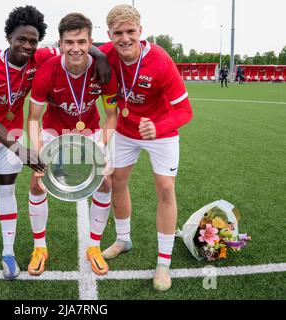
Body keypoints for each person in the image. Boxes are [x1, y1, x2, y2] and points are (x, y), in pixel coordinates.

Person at [0, 5, 111, 300]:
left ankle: (8, 255)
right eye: (21, 40)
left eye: (32, 41)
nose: (27, 46)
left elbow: (78, 46)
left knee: (6, 192)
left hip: (13, 136)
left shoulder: (39, 58)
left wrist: (101, 56)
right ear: (8, 37)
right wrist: (23, 149)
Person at [99, 4, 193, 291]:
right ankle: (123, 239)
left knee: (165, 188)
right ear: (110, 34)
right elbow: (76, 50)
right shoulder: (105, 52)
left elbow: (186, 111)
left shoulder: (161, 61)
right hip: (126, 130)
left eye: (130, 31)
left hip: (161, 131)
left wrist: (159, 127)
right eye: (118, 33)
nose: (124, 38)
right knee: (116, 181)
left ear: (141, 31)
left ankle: (163, 263)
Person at [27, 13, 118, 276]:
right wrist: (36, 155)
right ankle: (39, 247)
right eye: (69, 42)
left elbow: (111, 116)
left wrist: (101, 145)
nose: (75, 48)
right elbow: (33, 119)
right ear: (60, 42)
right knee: (37, 181)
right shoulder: (47, 71)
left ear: (91, 42)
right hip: (54, 130)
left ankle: (94, 246)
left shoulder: (103, 69)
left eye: (81, 41)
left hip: (90, 130)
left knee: (106, 181)